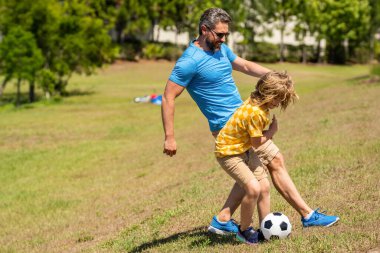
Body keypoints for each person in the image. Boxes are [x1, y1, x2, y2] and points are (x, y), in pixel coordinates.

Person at [161, 7, 339, 236]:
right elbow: (168, 96)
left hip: (244, 118)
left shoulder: (220, 49)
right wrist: (170, 137)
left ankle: (224, 219)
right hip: (229, 128)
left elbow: (244, 65)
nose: (224, 39)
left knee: (258, 174)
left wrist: (275, 77)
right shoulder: (189, 61)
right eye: (219, 34)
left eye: (226, 34)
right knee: (271, 163)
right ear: (204, 30)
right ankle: (306, 215)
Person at [214, 71, 296, 244]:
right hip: (229, 153)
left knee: (264, 185)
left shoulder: (257, 101)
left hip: (243, 149)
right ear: (268, 93)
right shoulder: (256, 113)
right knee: (253, 188)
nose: (278, 103)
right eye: (277, 99)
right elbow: (257, 143)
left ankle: (265, 229)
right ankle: (244, 230)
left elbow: (253, 142)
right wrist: (272, 132)